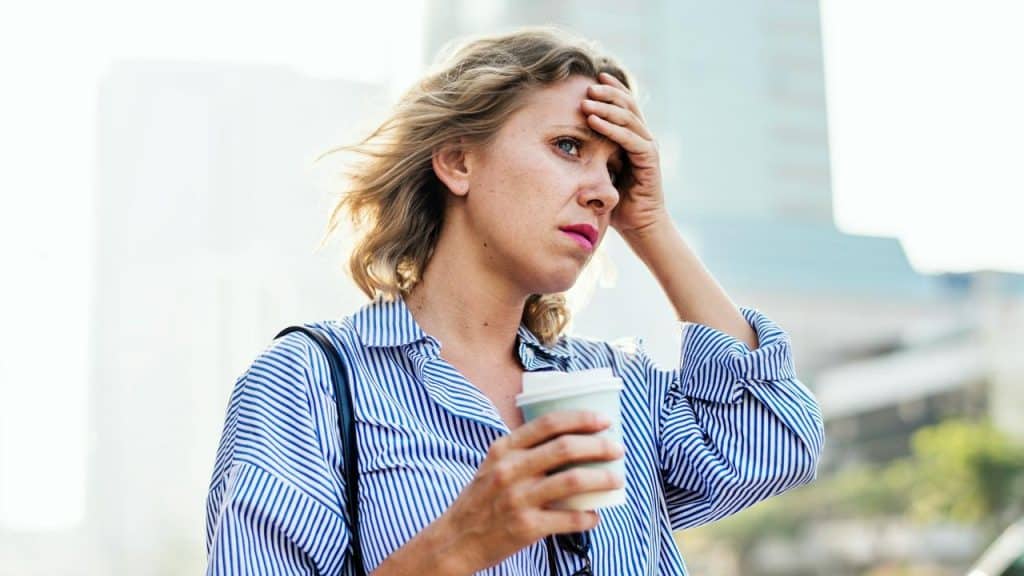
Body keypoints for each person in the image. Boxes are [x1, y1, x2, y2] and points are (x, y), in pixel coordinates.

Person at [205, 27, 825, 575]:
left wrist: (653, 223)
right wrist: (455, 546)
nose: (603, 194)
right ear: (456, 160)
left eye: (616, 171)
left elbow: (773, 439)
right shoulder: (308, 386)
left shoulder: (614, 389)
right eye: (568, 146)